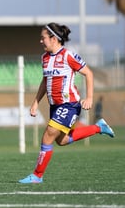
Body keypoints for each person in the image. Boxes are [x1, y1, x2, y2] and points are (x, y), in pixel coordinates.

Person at [19, 22, 115, 184]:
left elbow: (89, 74)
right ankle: (99, 127)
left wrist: (89, 98)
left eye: (43, 38)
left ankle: (37, 175)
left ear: (54, 38)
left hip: (69, 104)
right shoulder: (44, 58)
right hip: (55, 106)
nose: (41, 41)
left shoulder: (68, 56)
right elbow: (45, 81)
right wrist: (35, 102)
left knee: (48, 136)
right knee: (61, 140)